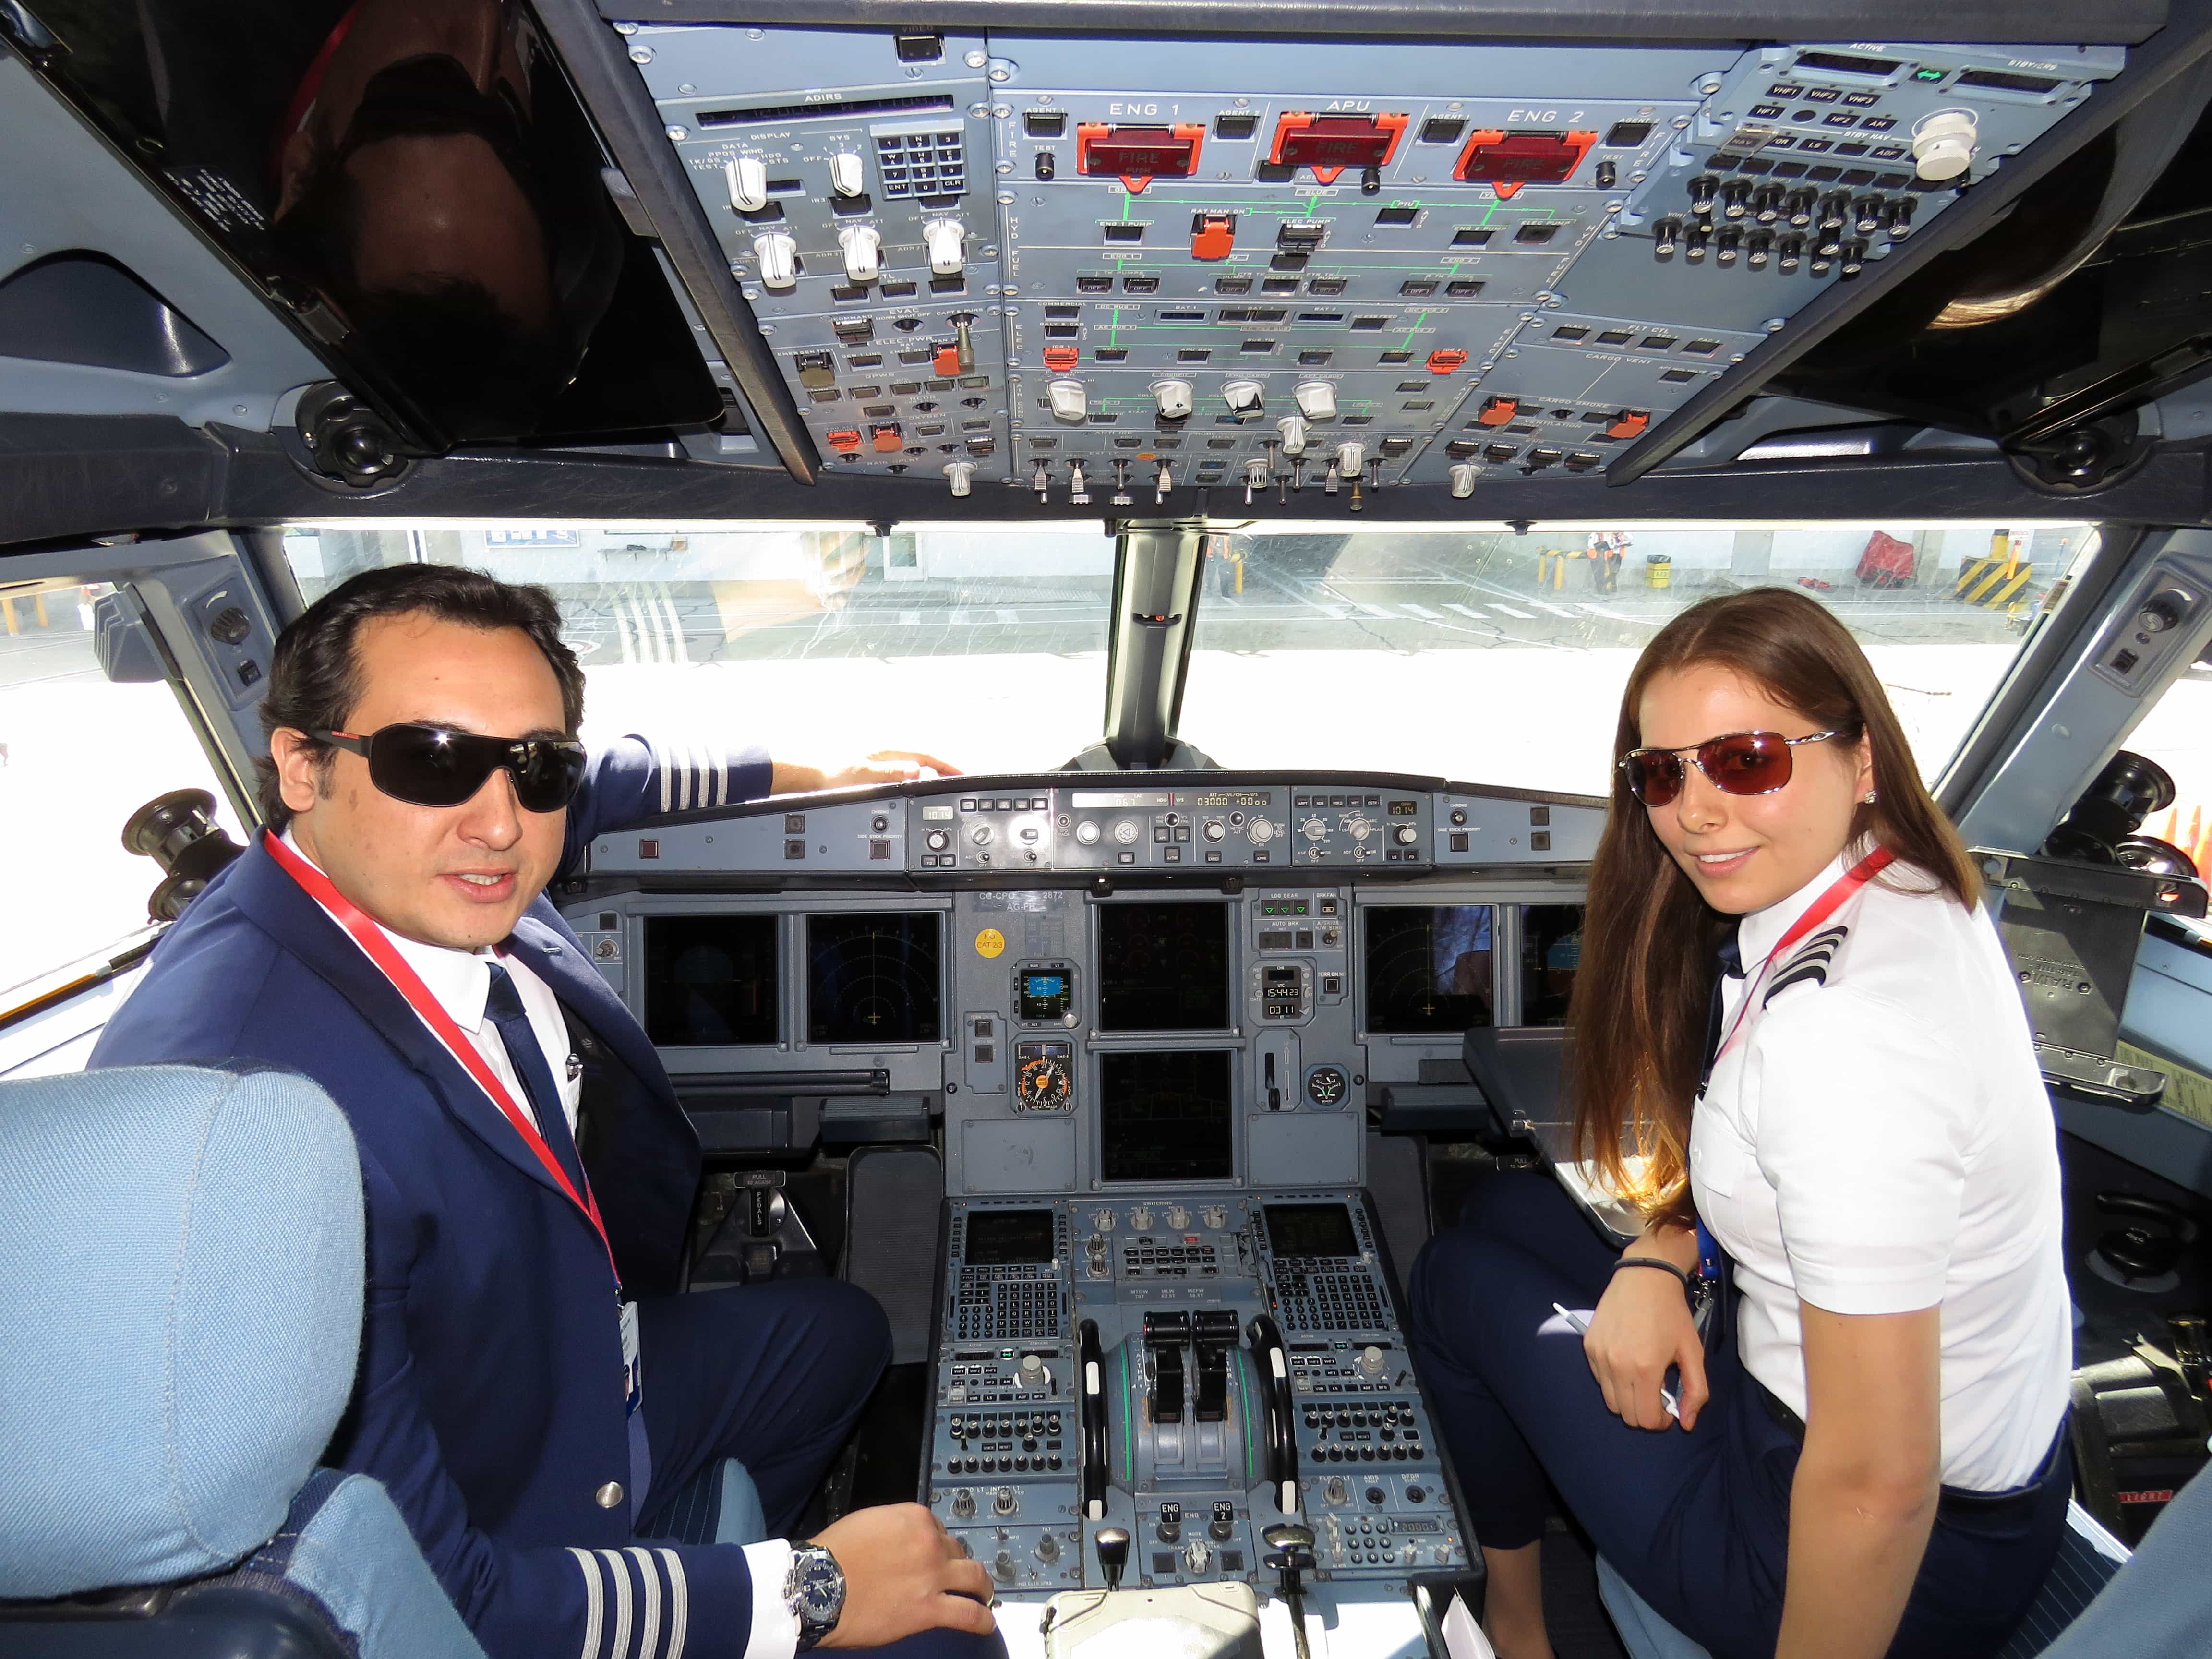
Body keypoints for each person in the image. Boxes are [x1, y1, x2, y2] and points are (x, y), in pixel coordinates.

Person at [93, 564, 987, 1659]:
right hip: (486, 1547)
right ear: (302, 765)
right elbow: (433, 1605)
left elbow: (605, 778)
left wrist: (818, 774)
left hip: (547, 1377)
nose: (499, 824)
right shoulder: (258, 1127)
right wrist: (808, 1594)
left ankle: (677, 1547)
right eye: (433, 759)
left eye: (536, 766)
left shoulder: (411, 861)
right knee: (955, 1637)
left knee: (838, 1334)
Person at [1411, 587, 2072, 1659]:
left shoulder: (1846, 1039)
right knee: (1502, 1211)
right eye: (1662, 774)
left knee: (1452, 1280)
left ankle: (1518, 1626)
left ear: (1862, 758)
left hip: (1859, 1551)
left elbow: (1877, 1480)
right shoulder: (1903, 889)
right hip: (1930, 1461)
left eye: (1747, 761)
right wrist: (1664, 1252)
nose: (1695, 812)